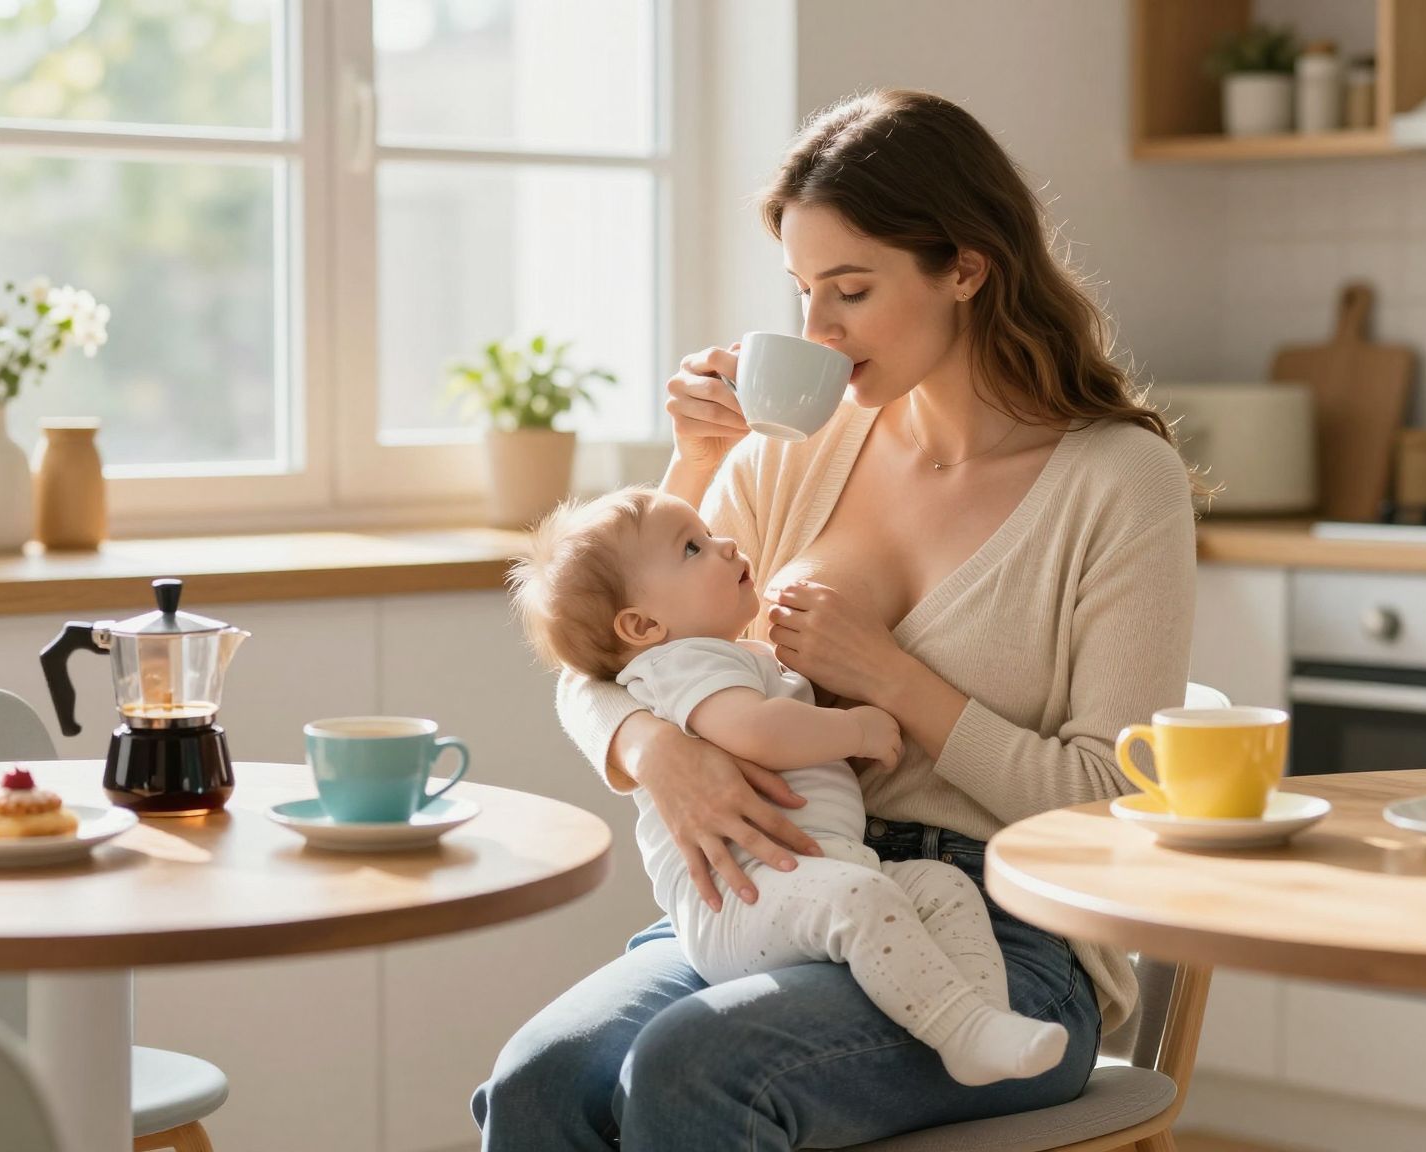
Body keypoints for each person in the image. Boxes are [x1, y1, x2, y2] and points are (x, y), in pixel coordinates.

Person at [474, 87, 1198, 1150]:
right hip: (780, 901)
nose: (815, 330)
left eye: (849, 290)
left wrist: (895, 682)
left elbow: (1108, 805)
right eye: (804, 290)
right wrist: (652, 749)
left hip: (1003, 951)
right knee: (542, 1078)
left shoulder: (1119, 482)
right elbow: (612, 655)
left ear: (964, 266)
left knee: (694, 1070)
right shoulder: (790, 450)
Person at [506, 485, 1069, 1086]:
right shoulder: (682, 664)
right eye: (694, 548)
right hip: (745, 900)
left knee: (941, 886)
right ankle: (966, 1030)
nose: (724, 544)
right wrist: (854, 729)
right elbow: (757, 731)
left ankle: (978, 1026)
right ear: (643, 625)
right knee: (861, 902)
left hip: (816, 873)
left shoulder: (717, 655)